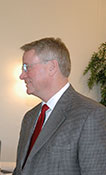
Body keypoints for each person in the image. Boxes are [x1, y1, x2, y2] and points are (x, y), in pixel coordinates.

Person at [13, 37, 106, 175]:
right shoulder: (29, 117)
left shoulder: (91, 115)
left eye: (27, 67)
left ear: (52, 67)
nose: (22, 75)